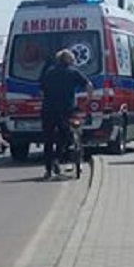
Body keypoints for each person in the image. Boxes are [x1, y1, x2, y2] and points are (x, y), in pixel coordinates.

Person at [39, 49, 94, 180]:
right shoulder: (73, 72)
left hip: (48, 109)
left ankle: (48, 170)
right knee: (66, 134)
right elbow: (89, 85)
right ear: (71, 60)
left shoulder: (49, 72)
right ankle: (57, 157)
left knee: (48, 139)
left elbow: (41, 90)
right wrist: (88, 99)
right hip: (66, 109)